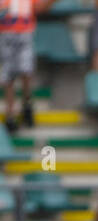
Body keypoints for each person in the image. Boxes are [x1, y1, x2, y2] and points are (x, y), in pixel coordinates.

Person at [1, 0, 53, 132]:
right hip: (5, 34)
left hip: (25, 33)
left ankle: (27, 104)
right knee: (8, 76)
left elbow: (40, 7)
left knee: (26, 70)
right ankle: (10, 114)